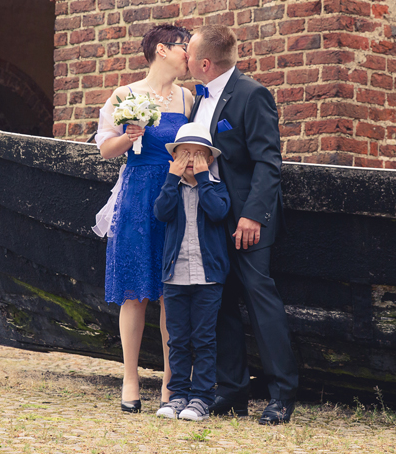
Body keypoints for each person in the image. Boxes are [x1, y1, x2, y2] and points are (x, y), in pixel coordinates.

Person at [186, 24, 299, 425]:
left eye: (189, 54)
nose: (184, 59)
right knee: (221, 305)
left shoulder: (252, 94)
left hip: (249, 219)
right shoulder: (197, 100)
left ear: (204, 63)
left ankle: (282, 396)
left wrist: (252, 215)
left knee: (259, 299)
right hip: (211, 216)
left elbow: (269, 162)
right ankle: (231, 391)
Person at [94, 24, 193, 412]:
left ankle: (171, 383)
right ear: (163, 50)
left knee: (172, 290)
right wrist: (129, 136)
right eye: (185, 47)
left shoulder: (187, 98)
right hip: (137, 196)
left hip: (175, 195)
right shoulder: (124, 94)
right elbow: (105, 149)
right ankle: (130, 378)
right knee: (135, 290)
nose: (190, 55)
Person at [152, 123, 230, 421]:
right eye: (184, 154)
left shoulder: (217, 187)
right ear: (174, 159)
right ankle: (177, 395)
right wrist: (172, 178)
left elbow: (218, 212)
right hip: (175, 276)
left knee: (204, 338)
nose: (190, 160)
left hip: (208, 277)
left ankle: (201, 398)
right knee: (178, 339)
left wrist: (202, 179)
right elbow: (161, 212)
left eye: (198, 155)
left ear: (209, 160)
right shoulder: (171, 185)